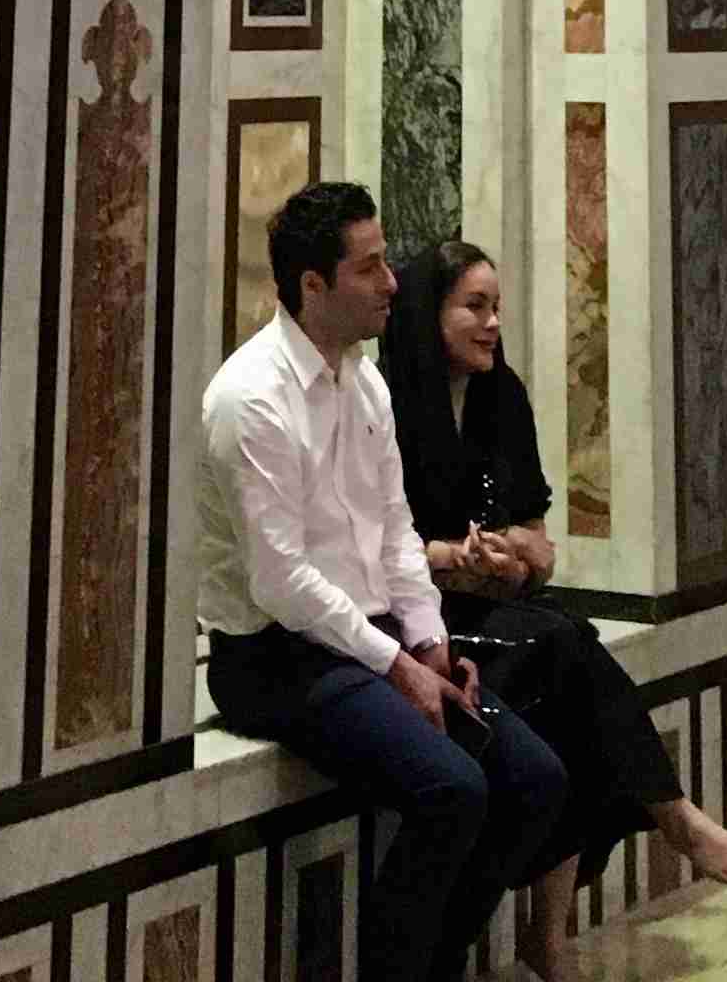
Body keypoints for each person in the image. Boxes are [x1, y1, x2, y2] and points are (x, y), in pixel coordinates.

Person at [200, 183, 569, 982]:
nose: (393, 283)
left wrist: (429, 641)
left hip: (367, 639)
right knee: (452, 788)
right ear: (313, 285)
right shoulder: (250, 397)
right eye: (369, 268)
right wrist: (397, 664)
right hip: (274, 656)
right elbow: (281, 583)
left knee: (536, 779)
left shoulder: (364, 382)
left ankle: (433, 968)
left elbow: (397, 532)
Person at [380, 241, 727, 971]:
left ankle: (553, 930)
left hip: (500, 605)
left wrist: (513, 555)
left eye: (496, 307)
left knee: (566, 657)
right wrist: (453, 557)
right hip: (419, 620)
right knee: (566, 656)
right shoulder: (385, 403)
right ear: (430, 316)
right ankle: (671, 818)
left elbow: (538, 538)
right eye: (474, 307)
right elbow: (377, 547)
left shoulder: (502, 396)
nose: (493, 323)